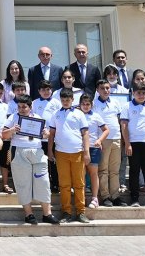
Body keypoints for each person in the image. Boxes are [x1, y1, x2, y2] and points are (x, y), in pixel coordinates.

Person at [2, 95, 58, 225]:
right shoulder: (13, 117)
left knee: (43, 182)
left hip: (37, 151)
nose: (21, 109)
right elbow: (3, 135)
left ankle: (47, 213)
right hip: (19, 151)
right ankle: (29, 214)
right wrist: (12, 130)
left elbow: (47, 134)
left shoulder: (38, 118)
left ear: (30, 107)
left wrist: (46, 134)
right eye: (19, 107)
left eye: (24, 107)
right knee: (23, 183)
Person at [47, 87, 90, 223]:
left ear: (72, 99)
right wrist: (50, 151)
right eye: (63, 100)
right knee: (64, 184)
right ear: (60, 100)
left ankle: (81, 212)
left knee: (79, 183)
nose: (65, 102)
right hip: (61, 153)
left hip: (77, 152)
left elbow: (85, 133)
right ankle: (66, 212)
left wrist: (87, 152)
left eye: (68, 100)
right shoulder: (55, 114)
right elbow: (51, 134)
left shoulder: (79, 114)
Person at [120, 83, 145, 207]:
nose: (141, 95)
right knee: (134, 171)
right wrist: (127, 143)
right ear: (133, 93)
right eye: (138, 93)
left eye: (143, 93)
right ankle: (134, 199)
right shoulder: (127, 106)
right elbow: (124, 126)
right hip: (133, 143)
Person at [94, 79, 124, 206]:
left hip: (116, 138)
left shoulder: (116, 102)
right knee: (103, 169)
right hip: (103, 140)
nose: (106, 90)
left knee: (115, 170)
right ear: (97, 90)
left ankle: (115, 196)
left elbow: (120, 120)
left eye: (107, 88)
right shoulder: (94, 104)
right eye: (102, 88)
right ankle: (105, 196)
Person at [78, 92, 108, 210]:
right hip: (79, 148)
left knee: (93, 173)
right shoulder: (76, 115)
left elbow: (106, 130)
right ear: (79, 104)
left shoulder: (96, 116)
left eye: (88, 104)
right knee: (81, 174)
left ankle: (95, 198)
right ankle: (82, 198)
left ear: (91, 105)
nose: (85, 106)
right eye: (83, 104)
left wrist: (99, 140)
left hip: (93, 148)